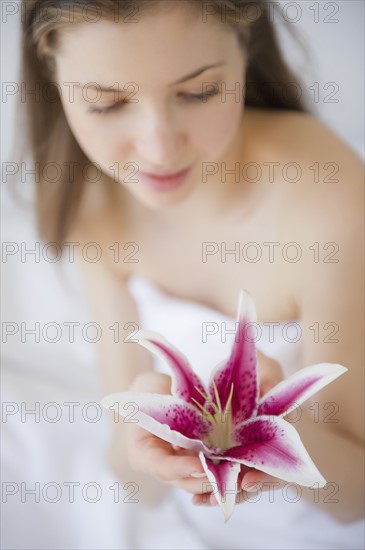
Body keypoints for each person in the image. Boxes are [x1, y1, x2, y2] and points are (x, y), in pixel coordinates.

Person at [15, 0, 364, 547]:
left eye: (198, 92)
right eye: (106, 104)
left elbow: (356, 500)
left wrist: (284, 441)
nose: (159, 149)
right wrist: (143, 436)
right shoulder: (95, 203)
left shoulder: (326, 195)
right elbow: (139, 487)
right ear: (50, 79)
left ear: (245, 50)